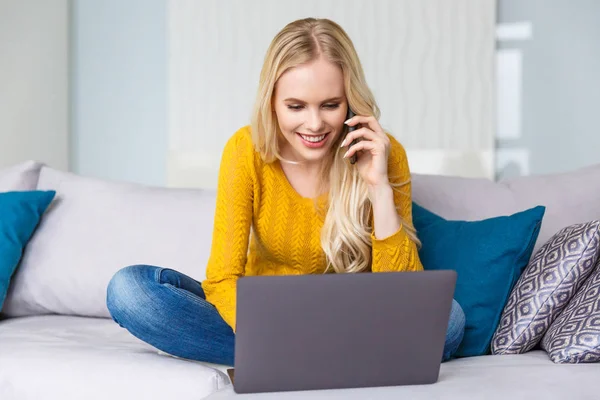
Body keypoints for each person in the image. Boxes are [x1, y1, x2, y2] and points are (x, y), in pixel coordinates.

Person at [106, 17, 465, 367]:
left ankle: (293, 360)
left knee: (449, 319)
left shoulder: (383, 152)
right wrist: (272, 332)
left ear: (350, 101)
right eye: (295, 106)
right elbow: (221, 278)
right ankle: (332, 359)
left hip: (352, 318)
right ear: (272, 101)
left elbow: (403, 296)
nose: (314, 124)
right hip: (264, 317)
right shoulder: (246, 150)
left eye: (330, 105)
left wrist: (379, 188)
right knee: (130, 291)